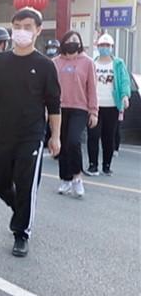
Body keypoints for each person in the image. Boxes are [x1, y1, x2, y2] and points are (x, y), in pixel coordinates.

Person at [0, 7, 61, 258]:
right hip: (2, 132)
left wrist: (55, 136)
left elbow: (54, 105)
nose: (22, 31)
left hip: (31, 135)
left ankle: (21, 233)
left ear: (38, 31)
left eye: (28, 27)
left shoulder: (45, 66)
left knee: (26, 183)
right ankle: (21, 208)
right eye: (18, 26)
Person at [52, 31, 97, 197]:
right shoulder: (55, 62)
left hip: (80, 108)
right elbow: (49, 87)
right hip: (59, 108)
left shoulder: (88, 62)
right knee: (62, 144)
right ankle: (65, 178)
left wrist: (94, 111)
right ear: (63, 43)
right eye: (69, 40)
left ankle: (77, 177)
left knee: (73, 141)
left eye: (75, 40)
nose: (72, 42)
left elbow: (92, 88)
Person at [85, 33, 132, 176]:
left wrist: (125, 96)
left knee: (108, 137)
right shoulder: (92, 63)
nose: (104, 48)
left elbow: (124, 81)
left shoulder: (118, 63)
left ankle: (106, 165)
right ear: (97, 47)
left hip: (112, 106)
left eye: (107, 45)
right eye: (102, 45)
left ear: (112, 47)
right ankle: (93, 166)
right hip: (94, 107)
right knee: (93, 136)